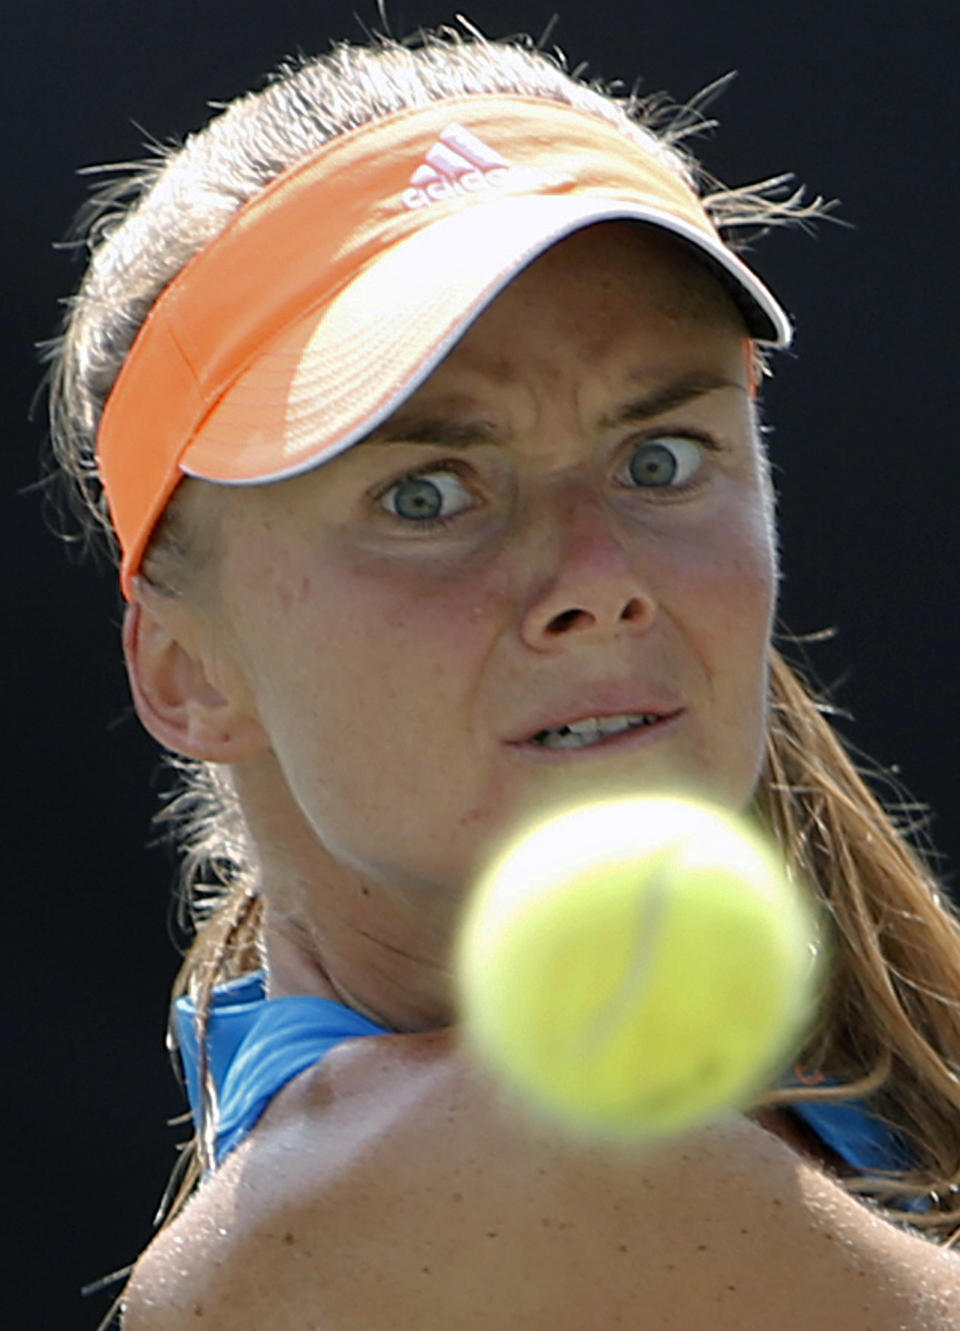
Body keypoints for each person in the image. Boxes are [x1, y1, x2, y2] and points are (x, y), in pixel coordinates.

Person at [41, 24, 960, 1330]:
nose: (599, 572)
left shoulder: (780, 1090)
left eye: (661, 458)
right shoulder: (459, 1165)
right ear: (189, 671)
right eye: (426, 493)